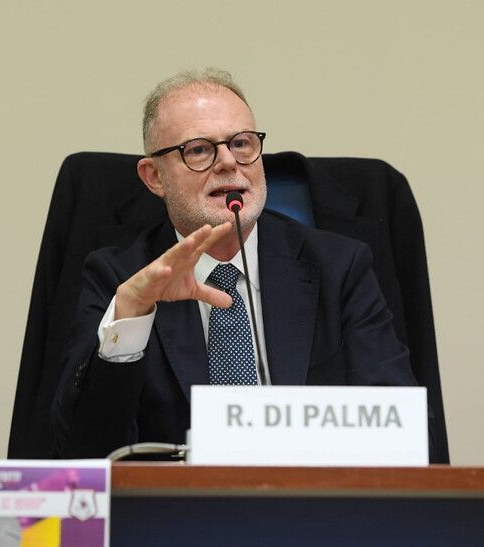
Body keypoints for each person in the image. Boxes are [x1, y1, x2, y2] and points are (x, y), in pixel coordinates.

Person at [50, 69, 416, 457]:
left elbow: (399, 431)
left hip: (312, 491)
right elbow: (83, 451)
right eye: (198, 149)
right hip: (172, 497)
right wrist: (131, 319)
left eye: (241, 143)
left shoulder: (339, 268)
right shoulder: (121, 280)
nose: (228, 162)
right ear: (154, 177)